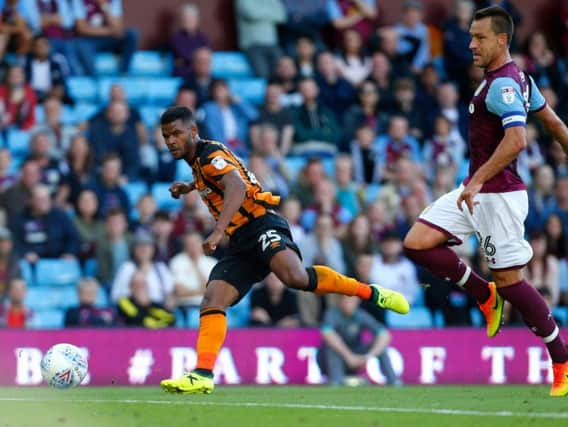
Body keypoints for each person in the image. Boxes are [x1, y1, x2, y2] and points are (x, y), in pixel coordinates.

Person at [158, 106, 409, 394]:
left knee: (295, 278)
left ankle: (371, 293)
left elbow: (236, 186)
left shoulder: (209, 157)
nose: (171, 141)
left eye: (177, 133)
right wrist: (190, 187)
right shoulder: (201, 161)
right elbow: (218, 178)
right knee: (213, 299)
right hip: (242, 242)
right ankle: (202, 374)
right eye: (166, 136)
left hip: (262, 225)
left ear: (193, 132)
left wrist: (217, 230)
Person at [402, 6, 568, 397]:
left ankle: (561, 358)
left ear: (501, 40)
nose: (471, 44)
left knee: (512, 283)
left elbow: (517, 139)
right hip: (476, 190)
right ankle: (483, 294)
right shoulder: (516, 80)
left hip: (499, 197)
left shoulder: (504, 86)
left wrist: (476, 180)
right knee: (416, 242)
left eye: (478, 37)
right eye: (471, 36)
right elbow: (557, 126)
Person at [317, 294, 398, 386]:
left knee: (380, 347)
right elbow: (327, 333)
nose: (349, 303)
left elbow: (384, 334)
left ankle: (393, 382)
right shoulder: (332, 314)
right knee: (331, 346)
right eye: (346, 300)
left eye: (352, 301)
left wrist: (368, 356)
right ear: (340, 301)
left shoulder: (361, 315)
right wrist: (348, 356)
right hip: (331, 360)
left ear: (357, 302)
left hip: (356, 354)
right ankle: (336, 381)